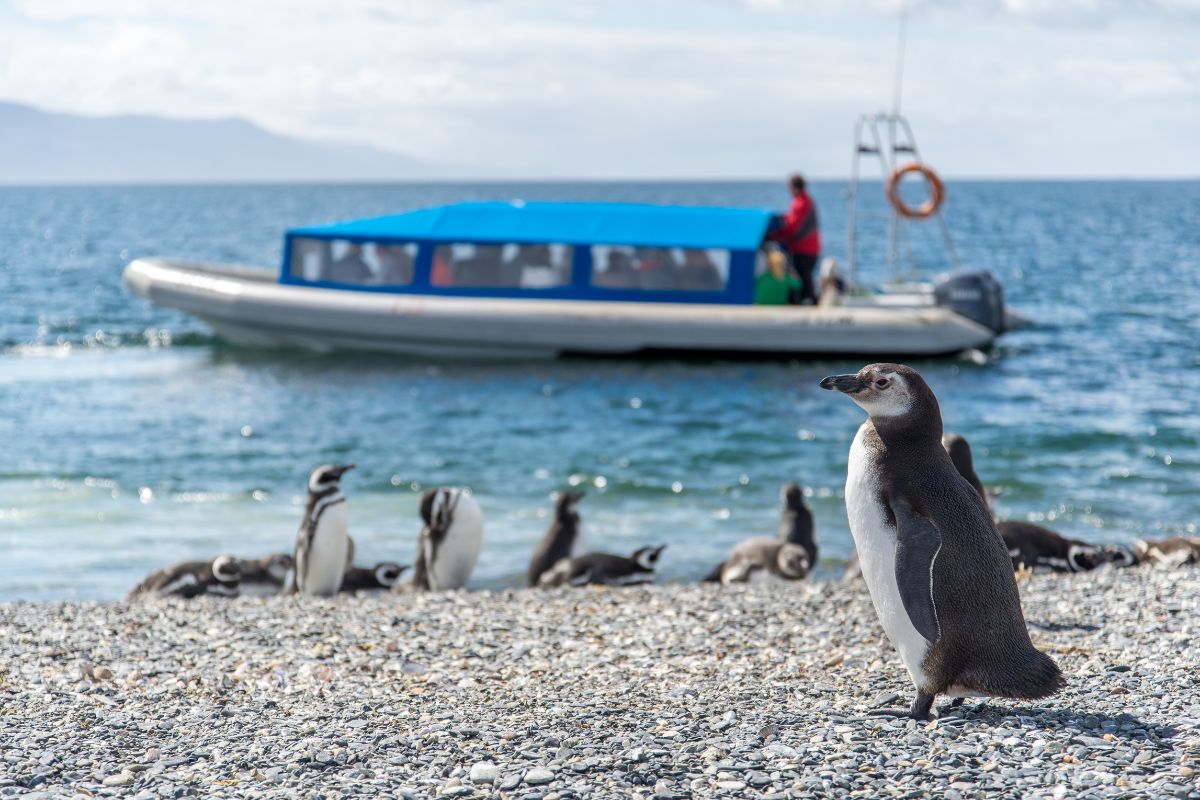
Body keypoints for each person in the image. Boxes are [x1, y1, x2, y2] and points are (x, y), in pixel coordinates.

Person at [767, 174, 821, 304]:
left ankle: (806, 304)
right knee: (805, 279)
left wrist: (773, 236)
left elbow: (792, 227)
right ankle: (808, 302)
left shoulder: (801, 202)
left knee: (802, 280)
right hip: (810, 247)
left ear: (793, 187)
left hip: (804, 248)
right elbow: (792, 221)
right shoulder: (806, 200)